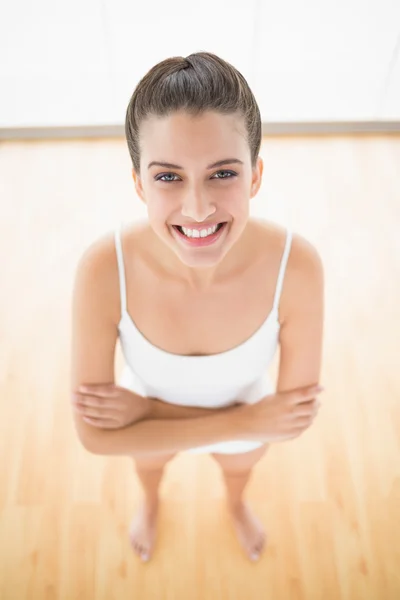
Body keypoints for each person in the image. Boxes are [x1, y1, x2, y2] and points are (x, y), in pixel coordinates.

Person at [70, 52, 324, 563]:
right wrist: (245, 422)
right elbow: (93, 438)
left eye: (222, 173)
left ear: (255, 175)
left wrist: (144, 413)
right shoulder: (103, 268)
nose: (197, 208)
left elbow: (293, 419)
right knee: (150, 468)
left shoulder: (297, 266)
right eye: (168, 178)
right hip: (245, 413)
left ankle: (236, 505)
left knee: (238, 471)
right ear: (139, 183)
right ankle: (150, 502)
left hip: (161, 416)